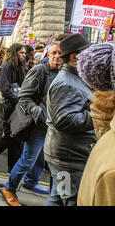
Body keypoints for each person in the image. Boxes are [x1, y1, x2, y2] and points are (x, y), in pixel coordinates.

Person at [1, 42, 62, 206]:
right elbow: (24, 98)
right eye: (54, 53)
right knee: (28, 159)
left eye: (60, 54)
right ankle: (9, 187)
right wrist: (40, 114)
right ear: (48, 54)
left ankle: (30, 182)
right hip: (39, 125)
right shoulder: (39, 71)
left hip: (55, 127)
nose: (57, 57)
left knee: (43, 158)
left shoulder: (65, 73)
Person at [44, 33, 95, 206]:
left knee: (58, 197)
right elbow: (64, 120)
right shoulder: (66, 83)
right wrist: (96, 114)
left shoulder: (74, 78)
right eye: (87, 52)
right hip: (67, 161)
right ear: (75, 56)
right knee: (71, 200)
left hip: (66, 158)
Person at [77, 42, 115, 206]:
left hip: (75, 148)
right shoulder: (111, 172)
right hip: (65, 150)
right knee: (62, 192)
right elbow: (61, 118)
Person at [0, 43, 27, 172]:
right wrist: (17, 100)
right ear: (15, 53)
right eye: (21, 53)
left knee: (16, 137)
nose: (24, 55)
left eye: (24, 53)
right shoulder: (7, 66)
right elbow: (4, 88)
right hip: (9, 107)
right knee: (11, 135)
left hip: (17, 106)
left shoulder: (21, 67)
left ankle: (12, 169)